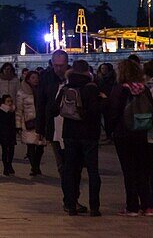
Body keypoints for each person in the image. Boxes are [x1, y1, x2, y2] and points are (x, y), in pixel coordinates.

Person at [54, 59, 103, 217]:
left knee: (70, 170)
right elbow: (97, 110)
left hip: (70, 133)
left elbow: (54, 109)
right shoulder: (92, 88)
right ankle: (94, 207)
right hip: (89, 134)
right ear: (88, 71)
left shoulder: (66, 87)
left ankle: (70, 205)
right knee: (93, 171)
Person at [105, 58, 153, 216]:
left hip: (123, 133)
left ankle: (132, 206)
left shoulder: (120, 89)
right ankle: (147, 205)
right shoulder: (144, 89)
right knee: (142, 169)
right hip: (141, 131)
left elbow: (113, 112)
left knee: (129, 170)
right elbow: (152, 110)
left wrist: (109, 130)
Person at [36, 49, 71, 202]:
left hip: (71, 127)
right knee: (61, 164)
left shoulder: (73, 77)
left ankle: (71, 195)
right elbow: (41, 103)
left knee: (72, 163)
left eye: (61, 65)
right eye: (56, 65)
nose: (59, 69)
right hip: (54, 126)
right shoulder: (46, 78)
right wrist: (40, 128)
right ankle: (68, 198)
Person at [16, 70, 46, 176]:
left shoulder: (42, 90)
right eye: (33, 78)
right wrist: (18, 125)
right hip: (28, 121)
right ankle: (34, 167)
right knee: (31, 146)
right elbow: (19, 109)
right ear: (28, 79)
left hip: (41, 121)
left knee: (40, 146)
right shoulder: (22, 92)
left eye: (37, 77)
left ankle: (36, 165)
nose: (35, 80)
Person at [0, 94, 18, 176]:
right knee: (5, 151)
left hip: (11, 133)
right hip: (3, 133)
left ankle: (9, 164)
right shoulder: (1, 110)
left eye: (11, 101)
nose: (10, 103)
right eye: (8, 101)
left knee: (11, 150)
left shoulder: (13, 110)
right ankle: (6, 167)